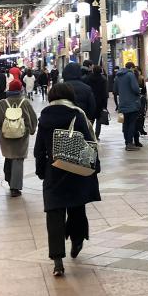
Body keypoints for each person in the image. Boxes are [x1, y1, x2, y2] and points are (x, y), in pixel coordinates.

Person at [34, 82, 102, 277]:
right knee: (76, 206)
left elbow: (39, 149)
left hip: (53, 172)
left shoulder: (45, 117)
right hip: (76, 170)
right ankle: (77, 240)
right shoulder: (78, 114)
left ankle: (57, 262)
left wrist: (41, 171)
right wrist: (95, 168)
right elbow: (90, 143)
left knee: (54, 213)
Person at [0, 79, 37, 197]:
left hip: (6, 137)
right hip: (21, 138)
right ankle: (15, 188)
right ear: (20, 90)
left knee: (9, 157)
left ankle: (9, 179)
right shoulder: (25, 103)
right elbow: (33, 119)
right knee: (18, 160)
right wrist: (32, 130)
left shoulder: (2, 103)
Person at [115, 62, 143, 151]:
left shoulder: (118, 76)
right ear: (131, 67)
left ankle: (127, 142)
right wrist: (139, 91)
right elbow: (135, 88)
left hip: (122, 104)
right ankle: (130, 143)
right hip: (132, 103)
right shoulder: (130, 75)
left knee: (125, 124)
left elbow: (115, 90)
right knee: (131, 123)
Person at [85, 64, 109, 138]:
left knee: (91, 119)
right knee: (99, 120)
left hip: (91, 101)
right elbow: (105, 93)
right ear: (101, 71)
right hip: (100, 102)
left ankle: (89, 135)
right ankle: (96, 135)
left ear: (93, 70)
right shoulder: (103, 79)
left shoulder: (88, 78)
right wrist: (105, 105)